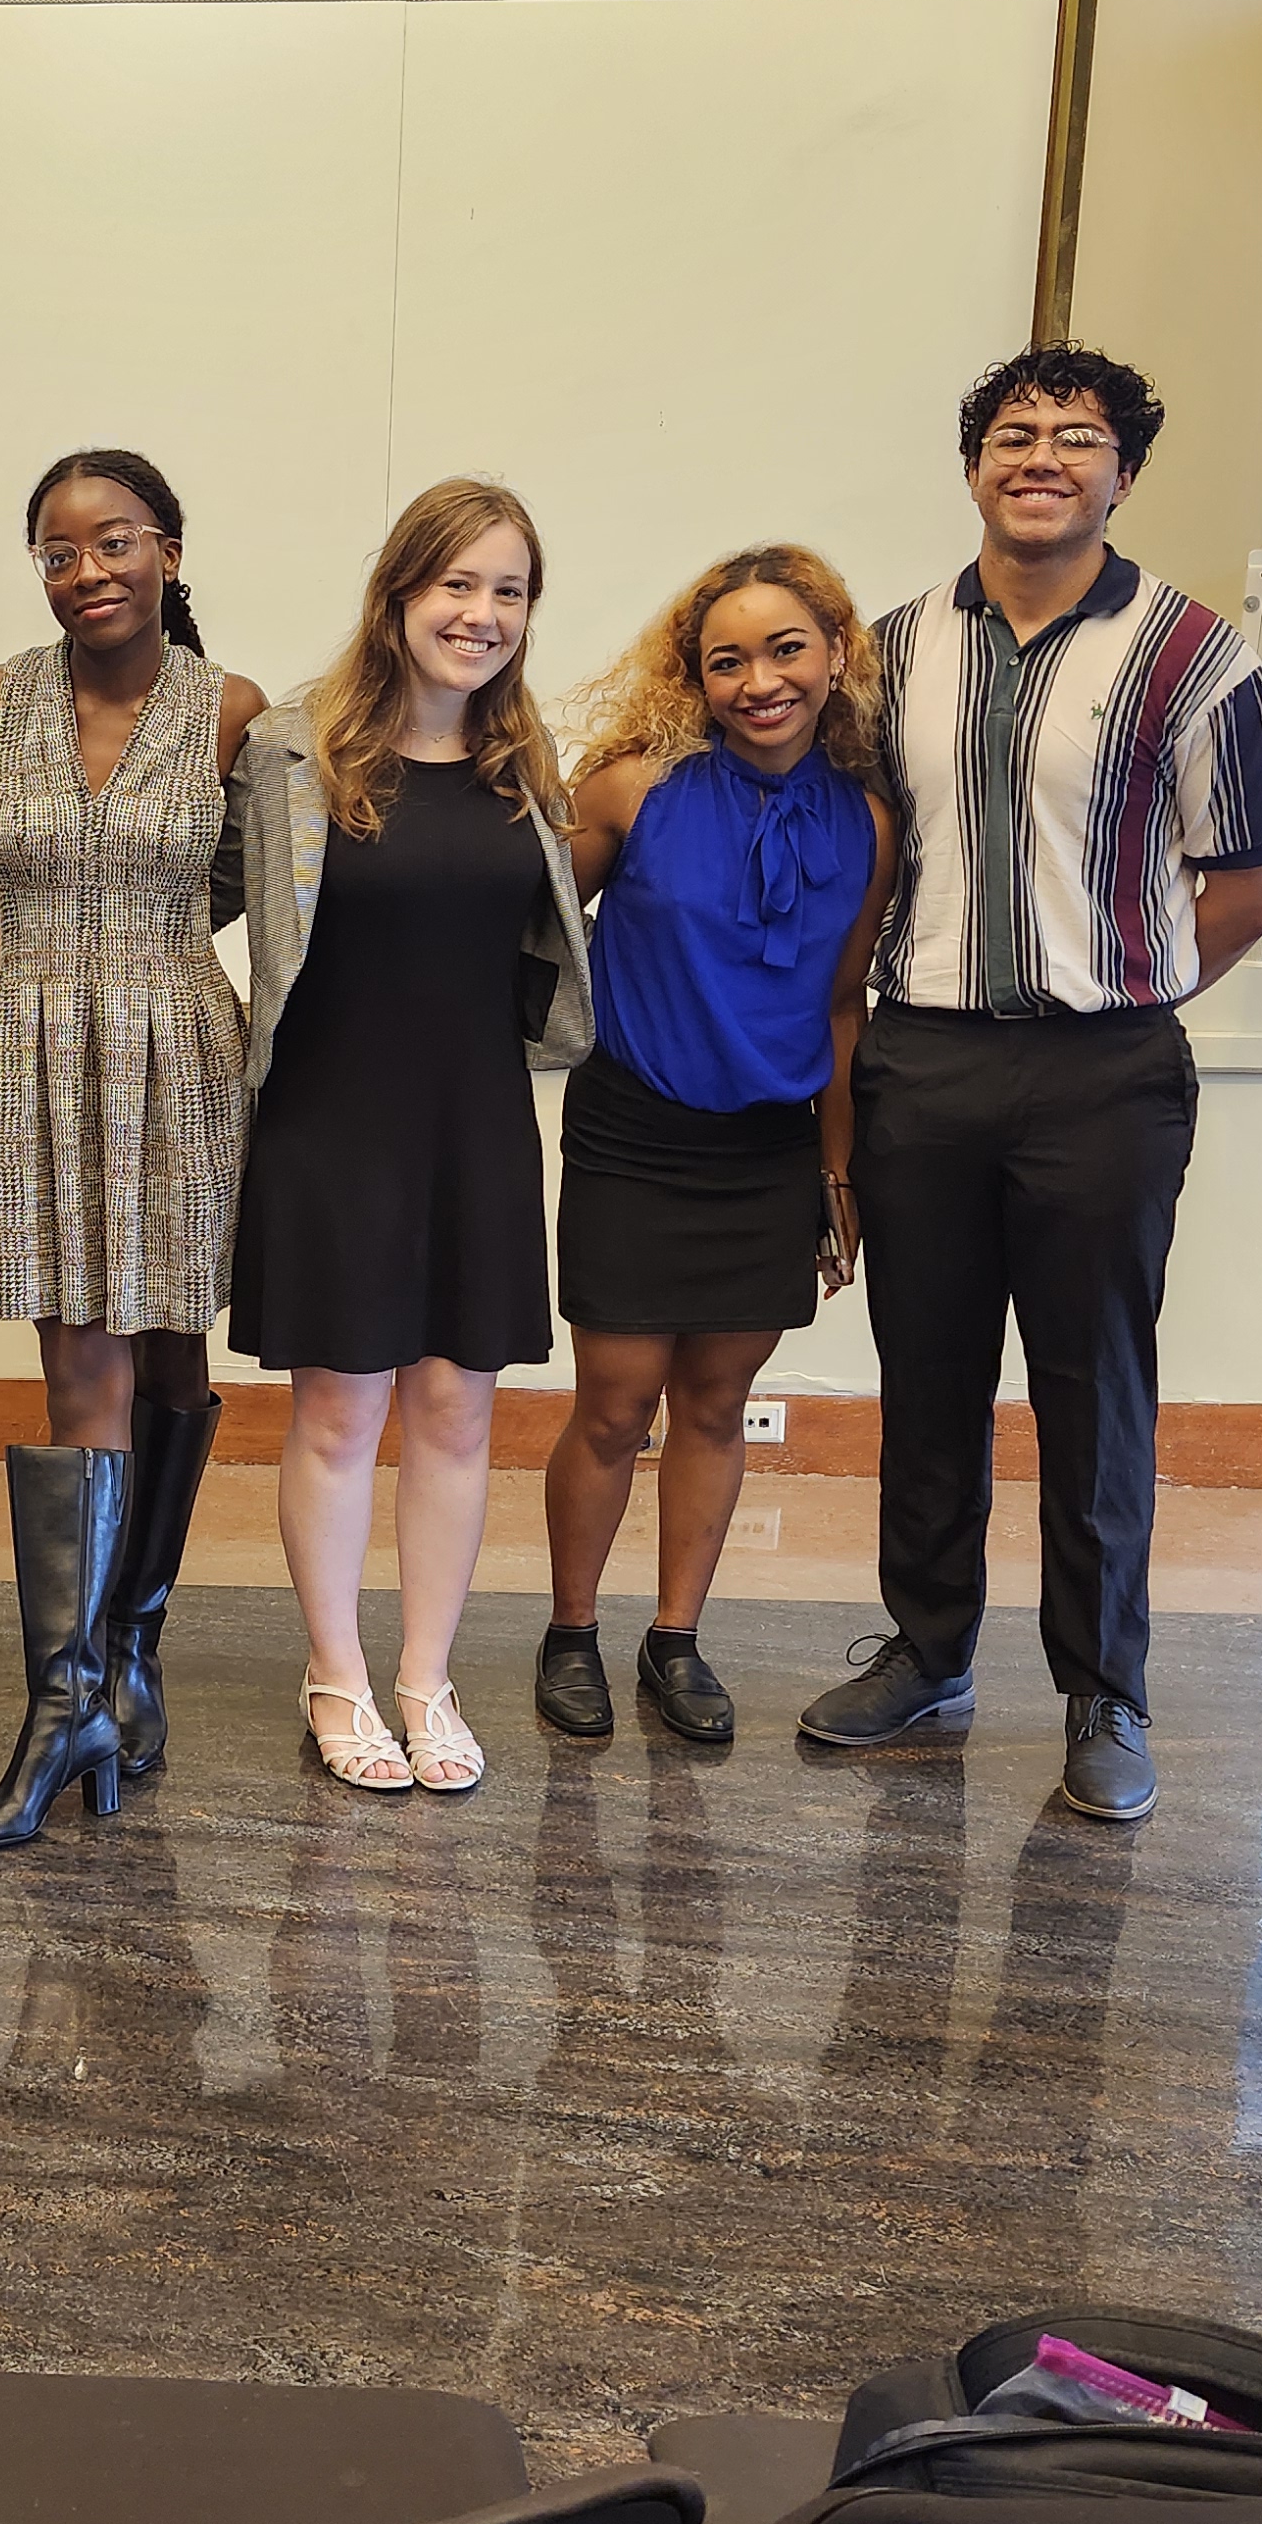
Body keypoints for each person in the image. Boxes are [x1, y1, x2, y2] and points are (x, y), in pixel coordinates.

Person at [797, 346, 1262, 1823]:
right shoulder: (888, 653)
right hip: (927, 1061)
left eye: (1077, 438)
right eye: (1013, 434)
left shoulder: (1195, 654)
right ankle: (928, 1654)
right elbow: (853, 861)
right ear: (973, 470)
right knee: (928, 1374)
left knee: (1096, 1390)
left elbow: (1255, 884)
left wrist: (1124, 985)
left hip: (1105, 1070)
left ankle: (1103, 1693)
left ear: (1121, 476)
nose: (1041, 458)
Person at [231, 478, 591, 1798]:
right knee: (339, 1413)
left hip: (475, 1124)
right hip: (334, 1120)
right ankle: (336, 1674)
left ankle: (425, 1679)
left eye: (509, 591)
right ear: (396, 594)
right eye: (456, 583)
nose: (480, 614)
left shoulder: (525, 769)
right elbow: (181, 884)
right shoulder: (290, 752)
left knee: (455, 1411)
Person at [0, 449, 266, 1851]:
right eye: (59, 551)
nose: (88, 572)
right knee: (80, 1366)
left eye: (116, 541)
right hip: (34, 1048)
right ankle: (63, 1701)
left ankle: (132, 1651)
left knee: (173, 1360)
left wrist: (133, 942)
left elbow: (259, 882)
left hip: (178, 1049)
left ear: (169, 553)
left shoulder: (233, 710)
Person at [536, 546, 899, 1748]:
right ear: (693, 678)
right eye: (726, 661)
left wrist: (837, 1174)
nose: (759, 682)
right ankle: (571, 1631)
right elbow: (519, 923)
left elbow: (841, 1006)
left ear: (834, 656)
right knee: (612, 1403)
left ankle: (675, 1639)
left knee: (714, 1402)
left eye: (785, 650)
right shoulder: (631, 790)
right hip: (633, 1131)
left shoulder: (867, 822)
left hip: (768, 1150)